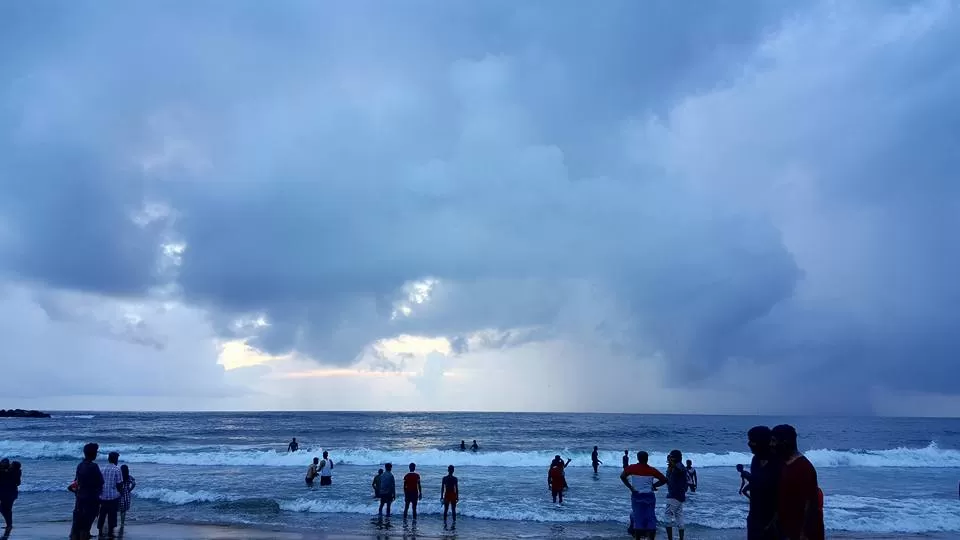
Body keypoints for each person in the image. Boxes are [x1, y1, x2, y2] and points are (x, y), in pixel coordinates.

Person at [772, 424, 824, 540]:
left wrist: (804, 533)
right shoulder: (784, 464)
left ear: (784, 442)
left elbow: (810, 503)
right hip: (787, 527)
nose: (771, 444)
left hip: (799, 531)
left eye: (774, 441)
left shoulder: (803, 467)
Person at [741, 426, 780, 540]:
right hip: (755, 515)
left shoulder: (778, 461)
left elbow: (779, 492)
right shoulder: (756, 460)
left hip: (771, 519)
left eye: (752, 440)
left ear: (762, 442)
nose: (749, 443)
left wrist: (773, 521)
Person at [620, 451, 667, 540]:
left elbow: (622, 476)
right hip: (649, 495)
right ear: (647, 459)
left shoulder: (632, 468)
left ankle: (637, 538)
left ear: (638, 458)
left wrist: (630, 487)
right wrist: (654, 485)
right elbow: (664, 480)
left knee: (638, 517)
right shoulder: (652, 470)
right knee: (651, 517)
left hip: (636, 495)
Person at [70, 443, 104, 540]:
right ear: (93, 454)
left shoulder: (80, 465)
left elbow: (76, 481)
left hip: (80, 499)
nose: (97, 454)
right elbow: (101, 482)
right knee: (86, 527)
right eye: (96, 452)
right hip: (91, 500)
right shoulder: (94, 466)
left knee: (77, 526)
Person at [97, 451, 123, 538]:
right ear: (116, 459)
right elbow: (119, 484)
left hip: (102, 496)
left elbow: (99, 483)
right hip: (113, 497)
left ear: (108, 459)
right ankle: (110, 533)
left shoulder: (102, 469)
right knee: (112, 516)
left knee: (102, 514)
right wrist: (121, 493)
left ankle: (100, 532)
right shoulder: (117, 469)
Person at [664, 450, 688, 540]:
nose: (669, 459)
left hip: (674, 495)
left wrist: (672, 463)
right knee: (679, 516)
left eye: (671, 457)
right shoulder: (673, 466)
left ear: (675, 458)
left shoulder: (679, 465)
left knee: (667, 516)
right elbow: (667, 479)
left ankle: (670, 539)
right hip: (679, 496)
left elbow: (679, 469)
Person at [0, 460, 21, 533]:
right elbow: (18, 483)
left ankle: (9, 525)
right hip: (12, 493)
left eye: (11, 464)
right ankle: (9, 525)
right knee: (7, 509)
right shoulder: (17, 472)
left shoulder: (7, 472)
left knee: (5, 509)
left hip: (6, 493)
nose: (10, 464)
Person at [118, 464, 136, 529]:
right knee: (123, 511)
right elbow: (134, 483)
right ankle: (122, 524)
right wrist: (130, 489)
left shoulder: (119, 477)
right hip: (126, 496)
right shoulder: (129, 477)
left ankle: (112, 522)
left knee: (115, 509)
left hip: (119, 495)